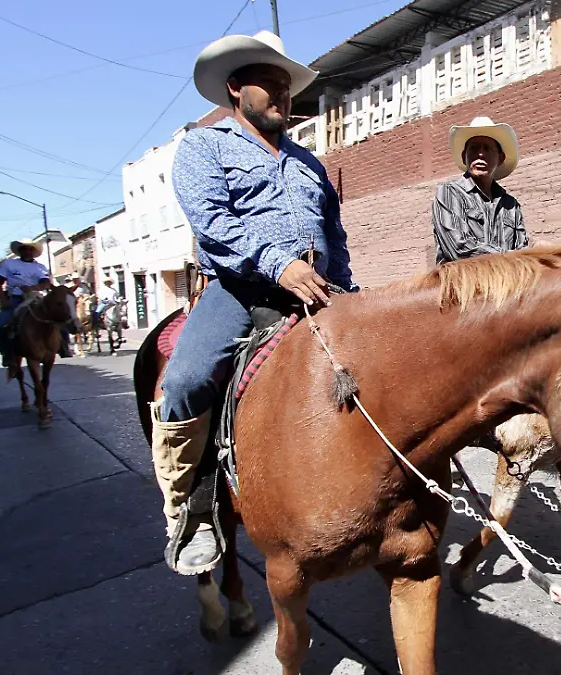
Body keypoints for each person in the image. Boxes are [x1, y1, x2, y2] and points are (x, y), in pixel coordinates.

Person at [156, 29, 357, 575]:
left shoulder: (310, 163)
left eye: (286, 87)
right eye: (268, 85)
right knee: (187, 379)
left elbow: (335, 239)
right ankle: (192, 509)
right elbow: (213, 226)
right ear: (235, 89)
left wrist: (350, 292)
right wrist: (279, 265)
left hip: (318, 288)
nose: (281, 96)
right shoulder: (204, 147)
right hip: (239, 290)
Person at [432, 116, 527, 264]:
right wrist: (511, 258)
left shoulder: (511, 206)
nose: (480, 154)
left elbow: (523, 251)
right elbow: (458, 249)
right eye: (474, 149)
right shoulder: (449, 193)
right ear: (465, 157)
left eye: (487, 149)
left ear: (500, 158)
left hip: (506, 284)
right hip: (461, 284)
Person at [0, 239, 52, 367]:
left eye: (30, 249)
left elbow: (45, 283)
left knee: (58, 318)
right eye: (24, 249)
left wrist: (33, 288)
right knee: (0, 326)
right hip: (14, 297)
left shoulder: (40, 267)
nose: (27, 251)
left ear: (34, 251)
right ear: (20, 251)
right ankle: (6, 353)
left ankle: (62, 346)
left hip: (35, 297)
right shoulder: (8, 264)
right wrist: (3, 300)